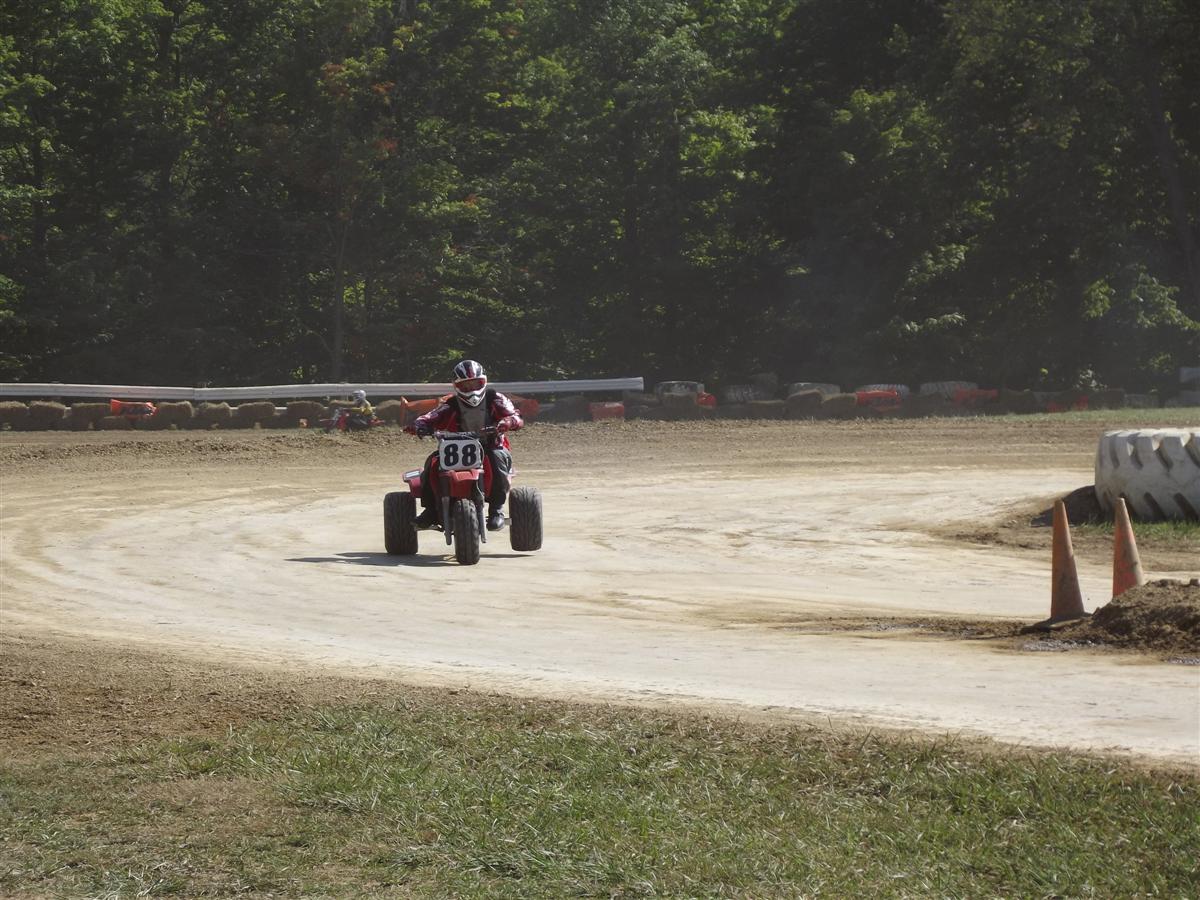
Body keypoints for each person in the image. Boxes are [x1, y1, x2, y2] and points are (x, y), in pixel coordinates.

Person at [403, 360, 523, 531]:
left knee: (497, 460)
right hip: (455, 446)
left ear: (484, 381)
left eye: (476, 384)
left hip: (491, 445)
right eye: (466, 385)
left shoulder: (495, 398)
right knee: (432, 463)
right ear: (457, 386)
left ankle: (496, 510)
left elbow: (515, 416)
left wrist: (508, 422)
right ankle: (430, 510)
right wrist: (419, 425)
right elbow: (430, 417)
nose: (472, 389)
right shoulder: (451, 403)